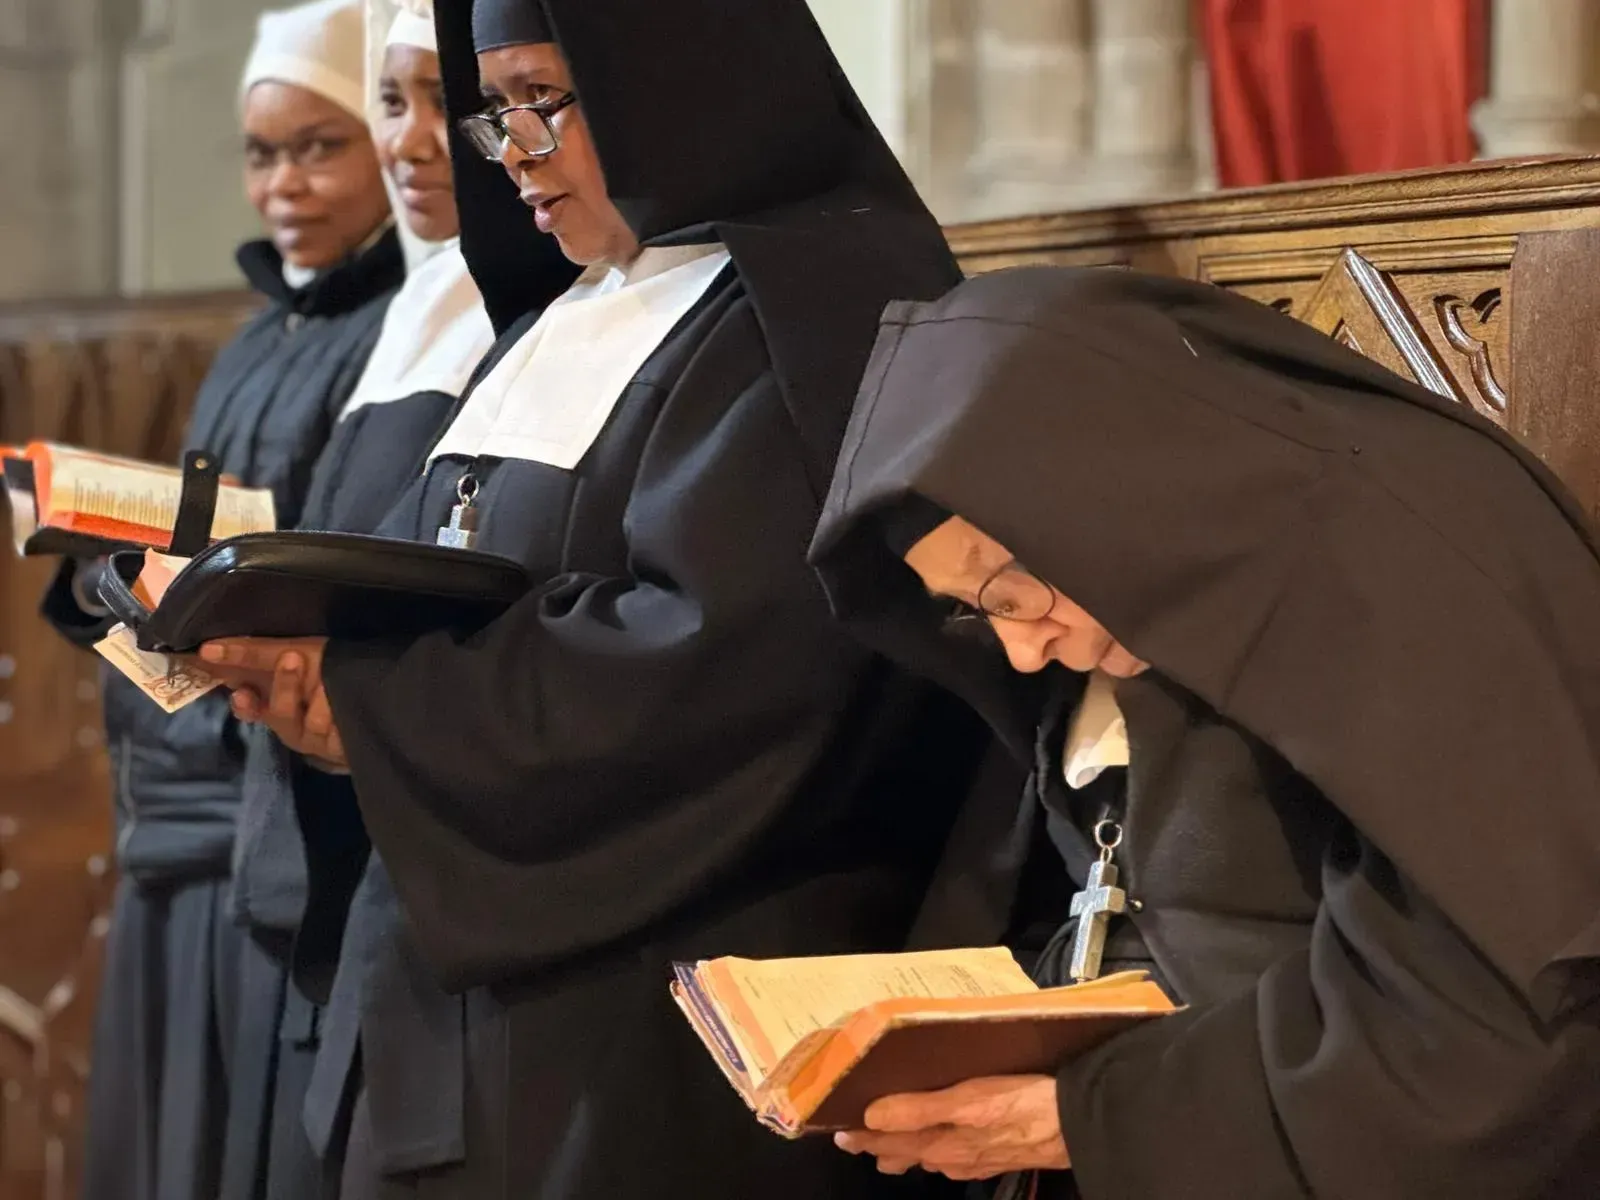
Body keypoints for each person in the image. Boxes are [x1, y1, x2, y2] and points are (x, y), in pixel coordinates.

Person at [197, 0, 987, 1197]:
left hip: (647, 1037)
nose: (512, 155)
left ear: (674, 78)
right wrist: (314, 665)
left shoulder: (810, 308)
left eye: (545, 103)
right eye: (496, 111)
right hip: (466, 997)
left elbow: (728, 668)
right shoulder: (565, 313)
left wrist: (373, 708)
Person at [807, 266, 1600, 1198]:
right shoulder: (1145, 585)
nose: (1022, 654)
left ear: (1096, 497)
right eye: (978, 614)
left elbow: (1495, 1020)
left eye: (1014, 597)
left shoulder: (1420, 575)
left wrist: (1088, 1116)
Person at [39, 4, 403, 1199]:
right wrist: (101, 560)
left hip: (258, 809)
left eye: (321, 145)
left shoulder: (407, 330)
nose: (284, 184)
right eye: (262, 153)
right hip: (167, 811)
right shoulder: (254, 336)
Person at [219, 4, 508, 1198]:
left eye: (456, 102)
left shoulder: (518, 314)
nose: (414, 141)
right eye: (392, 102)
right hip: (307, 835)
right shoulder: (415, 313)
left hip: (433, 891)